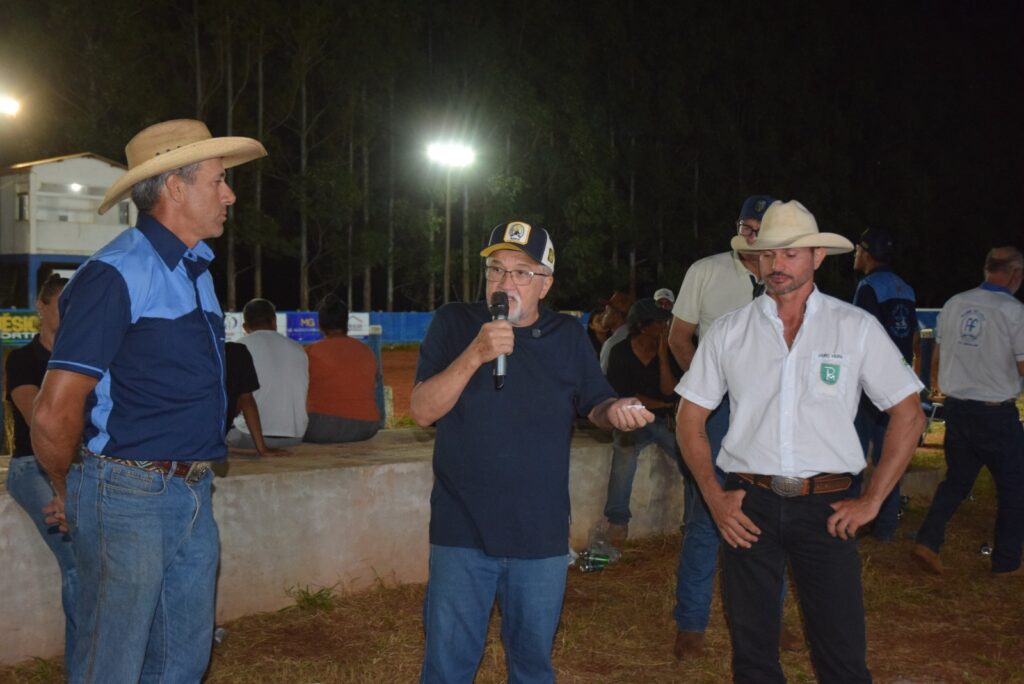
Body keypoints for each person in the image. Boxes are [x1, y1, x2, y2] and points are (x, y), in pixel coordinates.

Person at [31, 118, 266, 682]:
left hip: (190, 488)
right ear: (175, 188)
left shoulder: (195, 271)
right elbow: (53, 410)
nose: (229, 194)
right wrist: (70, 490)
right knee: (113, 660)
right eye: (219, 180)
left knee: (184, 659)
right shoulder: (117, 273)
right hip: (126, 493)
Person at [677, 199, 925, 682]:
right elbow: (690, 420)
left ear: (817, 257)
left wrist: (873, 499)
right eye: (769, 254)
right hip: (749, 505)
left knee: (842, 654)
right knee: (752, 656)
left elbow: (909, 415)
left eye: (792, 254)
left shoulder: (854, 328)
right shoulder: (730, 331)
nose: (777, 264)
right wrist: (714, 496)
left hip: (829, 508)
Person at [412, 220, 654, 683]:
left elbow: (596, 404)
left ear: (545, 284)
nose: (505, 283)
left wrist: (616, 408)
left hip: (539, 535)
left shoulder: (567, 336)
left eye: (522, 272)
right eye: (496, 270)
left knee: (532, 667)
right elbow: (422, 411)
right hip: (461, 530)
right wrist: (475, 354)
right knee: (447, 667)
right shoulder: (454, 322)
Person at [666, 194, 783, 658]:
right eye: (745, 224)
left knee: (772, 518)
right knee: (705, 515)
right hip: (717, 416)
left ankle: (767, 623)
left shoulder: (787, 276)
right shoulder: (706, 271)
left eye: (761, 226)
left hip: (771, 415)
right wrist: (708, 392)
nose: (751, 233)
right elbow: (678, 337)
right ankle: (691, 624)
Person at [911, 247, 1024, 578]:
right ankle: (1006, 562)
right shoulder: (1014, 312)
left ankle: (928, 541)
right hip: (996, 415)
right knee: (1014, 488)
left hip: (957, 410)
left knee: (957, 482)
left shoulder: (954, 303)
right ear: (1015, 274)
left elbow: (936, 359)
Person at [4, 273, 76, 673]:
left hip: (77, 466)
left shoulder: (88, 361)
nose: (70, 311)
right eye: (62, 303)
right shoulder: (24, 360)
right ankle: (85, 666)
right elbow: (41, 423)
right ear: (41, 306)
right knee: (78, 561)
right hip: (33, 465)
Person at [852, 227, 919, 541]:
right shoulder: (905, 287)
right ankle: (886, 528)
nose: (855, 255)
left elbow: (861, 337)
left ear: (866, 252)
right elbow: (914, 337)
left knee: (850, 455)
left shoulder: (868, 287)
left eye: (857, 249)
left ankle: (848, 518)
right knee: (890, 455)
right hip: (896, 383)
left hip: (869, 385)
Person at [602, 298, 684, 541]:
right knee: (624, 455)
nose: (665, 326)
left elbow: (669, 390)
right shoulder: (621, 352)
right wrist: (663, 404)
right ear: (643, 325)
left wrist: (661, 355)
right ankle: (617, 523)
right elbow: (627, 396)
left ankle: (691, 522)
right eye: (660, 322)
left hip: (663, 421)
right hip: (632, 419)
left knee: (691, 459)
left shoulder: (668, 352)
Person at [227, 298, 309, 449]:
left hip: (248, 436)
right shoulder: (298, 348)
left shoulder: (239, 347)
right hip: (296, 437)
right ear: (274, 321)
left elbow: (239, 401)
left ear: (245, 326)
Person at [304, 295, 381, 443]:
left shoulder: (310, 351)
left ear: (320, 324)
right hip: (368, 427)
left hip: (321, 428)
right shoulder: (367, 351)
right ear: (346, 322)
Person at [225, 340, 284, 457]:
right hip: (208, 443)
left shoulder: (186, 352)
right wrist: (262, 448)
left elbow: (247, 401)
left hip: (191, 441)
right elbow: (247, 401)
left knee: (199, 472)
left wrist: (262, 449)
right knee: (201, 472)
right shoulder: (236, 352)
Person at [597, 290, 635, 373]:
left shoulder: (612, 343)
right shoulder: (635, 335)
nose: (602, 314)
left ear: (616, 315)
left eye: (607, 310)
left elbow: (603, 380)